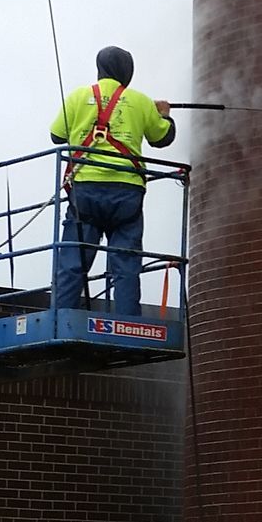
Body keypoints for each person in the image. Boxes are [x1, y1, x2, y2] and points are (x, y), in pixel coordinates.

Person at [51, 43, 175, 318]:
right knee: (126, 263)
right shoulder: (140, 101)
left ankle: (60, 317)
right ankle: (128, 320)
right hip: (127, 192)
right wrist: (163, 114)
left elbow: (57, 136)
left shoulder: (77, 97)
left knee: (73, 260)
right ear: (126, 71)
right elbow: (163, 138)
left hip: (86, 190)